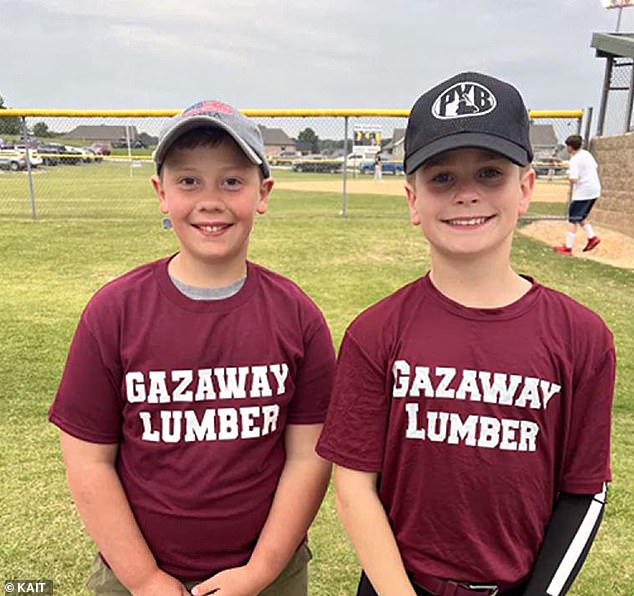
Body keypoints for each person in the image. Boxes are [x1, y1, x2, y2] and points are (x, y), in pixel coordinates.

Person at [317, 72, 615, 596]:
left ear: (525, 189)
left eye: (489, 173)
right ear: (413, 199)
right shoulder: (377, 332)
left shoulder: (581, 337)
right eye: (442, 178)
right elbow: (354, 487)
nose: (467, 194)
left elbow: (584, 491)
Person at [49, 100, 336, 596]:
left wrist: (261, 569)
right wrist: (144, 579)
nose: (210, 200)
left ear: (262, 193)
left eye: (231, 181)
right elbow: (88, 460)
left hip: (269, 573)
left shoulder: (297, 316)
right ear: (161, 193)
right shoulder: (114, 312)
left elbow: (308, 458)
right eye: (188, 181)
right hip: (134, 571)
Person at [554, 134, 602, 256]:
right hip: (594, 190)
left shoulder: (574, 160)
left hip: (583, 192)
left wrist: (569, 175)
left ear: (570, 147)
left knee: (573, 219)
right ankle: (592, 238)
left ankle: (568, 249)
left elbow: (574, 179)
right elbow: (594, 167)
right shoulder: (586, 154)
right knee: (581, 217)